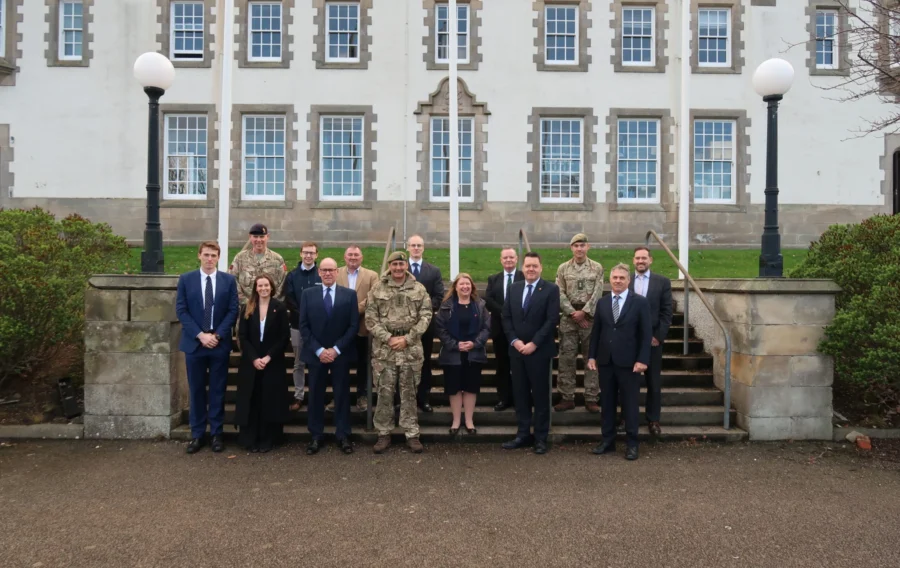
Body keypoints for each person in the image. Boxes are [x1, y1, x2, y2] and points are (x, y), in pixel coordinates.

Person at [175, 241, 240, 454]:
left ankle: (216, 434)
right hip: (195, 344)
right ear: (199, 256)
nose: (209, 259)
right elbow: (182, 310)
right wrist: (201, 335)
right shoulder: (186, 280)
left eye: (213, 255)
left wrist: (217, 335)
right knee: (196, 391)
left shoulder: (228, 280)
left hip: (219, 344)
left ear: (218, 257)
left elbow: (233, 310)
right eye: (206, 255)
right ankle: (197, 434)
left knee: (218, 391)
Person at [366, 251, 433, 454]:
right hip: (384, 349)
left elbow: (426, 315)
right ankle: (383, 433)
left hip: (410, 348)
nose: (397, 268)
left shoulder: (418, 289)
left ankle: (411, 434)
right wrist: (388, 338)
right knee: (384, 392)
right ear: (389, 265)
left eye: (401, 265)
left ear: (406, 266)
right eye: (394, 264)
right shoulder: (378, 288)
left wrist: (407, 338)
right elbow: (370, 317)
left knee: (409, 392)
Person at [588, 264, 652, 461]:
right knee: (606, 403)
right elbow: (597, 331)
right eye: (614, 277)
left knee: (630, 404)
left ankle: (632, 443)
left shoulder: (640, 302)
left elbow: (645, 333)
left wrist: (642, 359)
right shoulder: (603, 302)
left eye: (621, 278)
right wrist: (592, 356)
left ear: (628, 280)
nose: (617, 281)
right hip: (606, 361)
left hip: (630, 363)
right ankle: (607, 441)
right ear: (610, 279)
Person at [500, 252, 560, 455]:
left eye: (534, 266)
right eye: (527, 266)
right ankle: (523, 434)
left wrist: (534, 343)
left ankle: (541, 438)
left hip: (539, 352)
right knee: (520, 394)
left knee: (541, 396)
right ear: (522, 268)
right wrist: (515, 341)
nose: (531, 269)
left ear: (541, 267)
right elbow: (506, 317)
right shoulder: (514, 288)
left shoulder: (551, 289)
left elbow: (551, 320)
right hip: (517, 352)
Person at [299, 258, 359, 455]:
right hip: (316, 356)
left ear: (337, 272)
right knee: (316, 395)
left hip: (340, 355)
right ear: (319, 272)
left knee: (341, 395)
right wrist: (319, 351)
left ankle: (343, 435)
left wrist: (335, 350)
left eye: (331, 270)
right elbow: (304, 326)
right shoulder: (307, 295)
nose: (327, 273)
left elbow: (353, 326)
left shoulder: (349, 295)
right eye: (323, 270)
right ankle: (316, 435)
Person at [235, 274, 291, 453]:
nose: (263, 289)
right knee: (252, 399)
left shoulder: (279, 308)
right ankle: (250, 438)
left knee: (270, 399)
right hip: (251, 362)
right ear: (255, 288)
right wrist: (254, 358)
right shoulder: (247, 308)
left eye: (266, 285)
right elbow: (242, 336)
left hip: (272, 362)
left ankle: (268, 439)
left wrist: (268, 357)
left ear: (272, 287)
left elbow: (284, 337)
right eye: (260, 286)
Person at [435, 273, 491, 436]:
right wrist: (455, 344)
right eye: (461, 284)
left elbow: (487, 328)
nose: (465, 287)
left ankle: (469, 420)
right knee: (454, 389)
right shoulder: (446, 306)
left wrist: (474, 343)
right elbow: (440, 329)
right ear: (456, 287)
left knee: (470, 388)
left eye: (468, 284)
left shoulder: (480, 305)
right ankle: (456, 420)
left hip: (474, 354)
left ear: (472, 287)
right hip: (452, 354)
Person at [555, 233, 605, 413]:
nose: (579, 249)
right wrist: (572, 312)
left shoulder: (597, 267)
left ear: (588, 247)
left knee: (591, 359)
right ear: (571, 248)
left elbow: (599, 291)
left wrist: (584, 313)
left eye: (582, 245)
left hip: (589, 318)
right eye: (576, 246)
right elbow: (559, 291)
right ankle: (567, 397)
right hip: (569, 319)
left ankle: (591, 397)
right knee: (566, 359)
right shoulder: (563, 268)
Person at [630, 246, 673, 437]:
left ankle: (653, 419)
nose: (641, 261)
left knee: (653, 383)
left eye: (644, 258)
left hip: (653, 342)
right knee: (628, 383)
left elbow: (666, 312)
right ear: (633, 261)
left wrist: (658, 336)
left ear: (650, 260)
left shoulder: (662, 282)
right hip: (629, 341)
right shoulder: (624, 280)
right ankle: (627, 417)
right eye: (638, 258)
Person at [335, 245, 380, 412]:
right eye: (350, 255)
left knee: (363, 363)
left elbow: (372, 297)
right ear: (344, 257)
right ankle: (339, 397)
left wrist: (352, 310)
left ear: (361, 257)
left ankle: (362, 396)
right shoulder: (336, 273)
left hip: (363, 328)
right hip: (340, 327)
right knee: (341, 363)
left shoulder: (372, 276)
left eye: (356, 255)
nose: (353, 257)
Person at [406, 234, 444, 413]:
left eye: (419, 245)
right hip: (402, 326)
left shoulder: (433, 271)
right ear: (407, 247)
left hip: (426, 325)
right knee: (403, 363)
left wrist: (422, 313)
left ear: (423, 248)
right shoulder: (399, 267)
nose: (416, 248)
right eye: (413, 245)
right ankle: (403, 399)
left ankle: (424, 397)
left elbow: (438, 296)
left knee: (425, 361)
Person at [483, 247, 524, 411]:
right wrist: (505, 313)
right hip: (500, 329)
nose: (508, 260)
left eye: (511, 257)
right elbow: (488, 299)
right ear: (501, 260)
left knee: (519, 365)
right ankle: (503, 398)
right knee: (502, 365)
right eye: (505, 258)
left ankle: (520, 398)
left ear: (516, 259)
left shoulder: (523, 277)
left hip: (521, 329)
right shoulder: (493, 279)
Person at [284, 241, 322, 411]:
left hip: (318, 328)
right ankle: (299, 395)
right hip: (297, 327)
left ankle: (315, 395)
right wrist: (303, 320)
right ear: (300, 254)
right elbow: (290, 300)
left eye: (311, 253)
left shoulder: (321, 275)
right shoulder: (292, 276)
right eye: (305, 252)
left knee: (316, 362)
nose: (308, 255)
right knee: (299, 363)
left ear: (316, 255)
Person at [228, 223, 287, 305]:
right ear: (250, 237)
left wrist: (270, 303)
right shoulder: (240, 258)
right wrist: (247, 303)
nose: (259, 240)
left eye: (262, 236)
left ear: (267, 237)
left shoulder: (277, 259)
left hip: (270, 308)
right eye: (255, 237)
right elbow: (232, 280)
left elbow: (283, 285)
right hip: (245, 308)